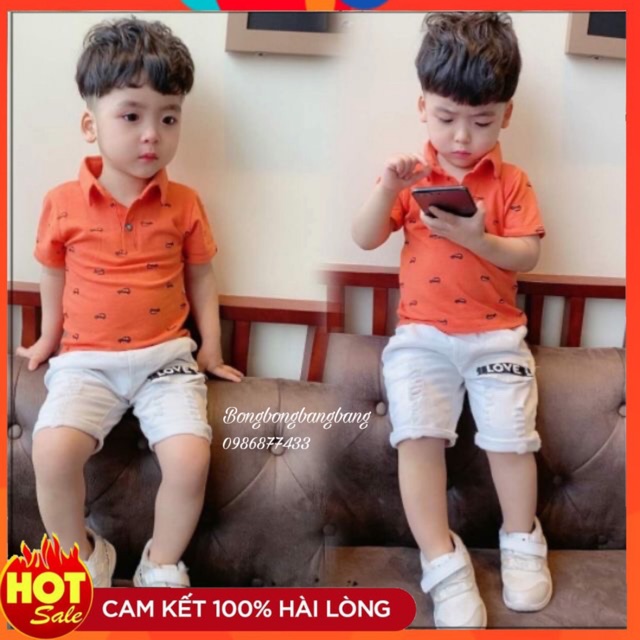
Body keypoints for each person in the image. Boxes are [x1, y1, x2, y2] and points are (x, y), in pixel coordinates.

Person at [16, 17, 243, 588]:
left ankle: (160, 563)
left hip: (166, 360)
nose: (152, 135)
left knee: (190, 458)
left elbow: (202, 277)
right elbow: (51, 272)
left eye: (169, 118)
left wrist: (211, 350)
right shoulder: (61, 203)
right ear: (90, 124)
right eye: (131, 116)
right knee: (51, 452)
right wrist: (46, 338)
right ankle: (82, 557)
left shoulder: (184, 203)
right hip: (86, 361)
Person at [352, 12, 551, 628]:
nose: (462, 136)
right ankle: (442, 561)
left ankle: (522, 539)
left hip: (497, 336)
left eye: (482, 121)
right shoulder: (412, 178)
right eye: (445, 118)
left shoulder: (512, 183)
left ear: (506, 116)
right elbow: (364, 237)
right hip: (421, 338)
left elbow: (529, 254)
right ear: (423, 108)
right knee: (417, 438)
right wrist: (386, 189)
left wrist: (479, 239)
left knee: (512, 440)